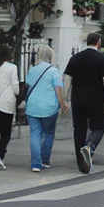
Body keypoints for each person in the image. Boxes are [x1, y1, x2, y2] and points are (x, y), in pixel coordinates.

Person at [63, 32, 104, 174]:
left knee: (79, 128)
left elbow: (67, 79)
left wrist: (66, 98)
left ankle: (81, 161)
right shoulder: (102, 59)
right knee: (98, 128)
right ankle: (90, 146)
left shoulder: (76, 58)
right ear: (98, 42)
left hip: (78, 97)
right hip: (96, 98)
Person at [23, 44, 68, 172]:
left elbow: (28, 87)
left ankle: (35, 163)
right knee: (49, 133)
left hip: (32, 106)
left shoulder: (32, 70)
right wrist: (62, 104)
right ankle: (45, 160)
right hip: (49, 107)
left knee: (35, 134)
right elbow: (58, 89)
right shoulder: (54, 71)